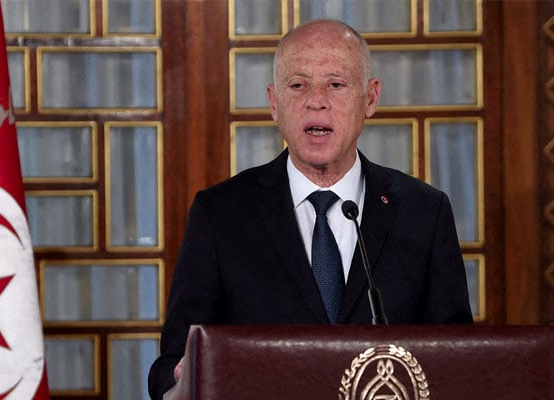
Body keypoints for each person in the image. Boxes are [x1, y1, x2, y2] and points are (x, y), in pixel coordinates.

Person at [148, 18, 473, 399]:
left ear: (370, 98)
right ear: (274, 102)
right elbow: (168, 368)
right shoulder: (220, 213)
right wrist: (181, 378)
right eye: (297, 85)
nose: (315, 99)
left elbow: (458, 361)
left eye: (336, 84)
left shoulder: (424, 212)